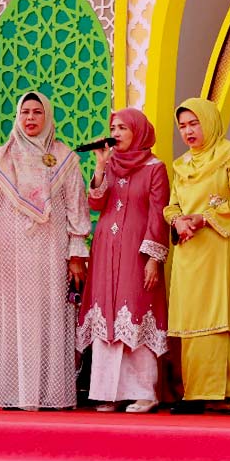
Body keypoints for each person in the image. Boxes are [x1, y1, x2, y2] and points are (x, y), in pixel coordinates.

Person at [0, 91, 91, 410]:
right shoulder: (0, 158)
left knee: (48, 314)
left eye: (38, 112)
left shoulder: (64, 158)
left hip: (51, 252)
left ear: (47, 116)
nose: (31, 118)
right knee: (10, 317)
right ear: (17, 117)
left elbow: (77, 210)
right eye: (25, 112)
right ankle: (7, 393)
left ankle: (49, 395)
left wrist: (76, 256)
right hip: (8, 254)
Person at [163, 98, 230, 416]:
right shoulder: (180, 165)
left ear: (209, 122)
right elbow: (172, 205)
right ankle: (195, 393)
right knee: (195, 317)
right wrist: (177, 221)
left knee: (226, 314)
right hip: (191, 249)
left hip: (222, 243)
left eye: (194, 123)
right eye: (182, 126)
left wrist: (205, 218)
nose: (188, 131)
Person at [77, 108, 170, 413]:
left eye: (122, 128)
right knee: (108, 312)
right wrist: (100, 167)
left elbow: (158, 214)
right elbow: (95, 203)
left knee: (136, 310)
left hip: (137, 251)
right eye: (113, 128)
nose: (115, 134)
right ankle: (109, 392)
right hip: (106, 249)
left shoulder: (155, 168)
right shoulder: (110, 164)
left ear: (138, 131)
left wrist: (154, 259)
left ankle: (145, 392)